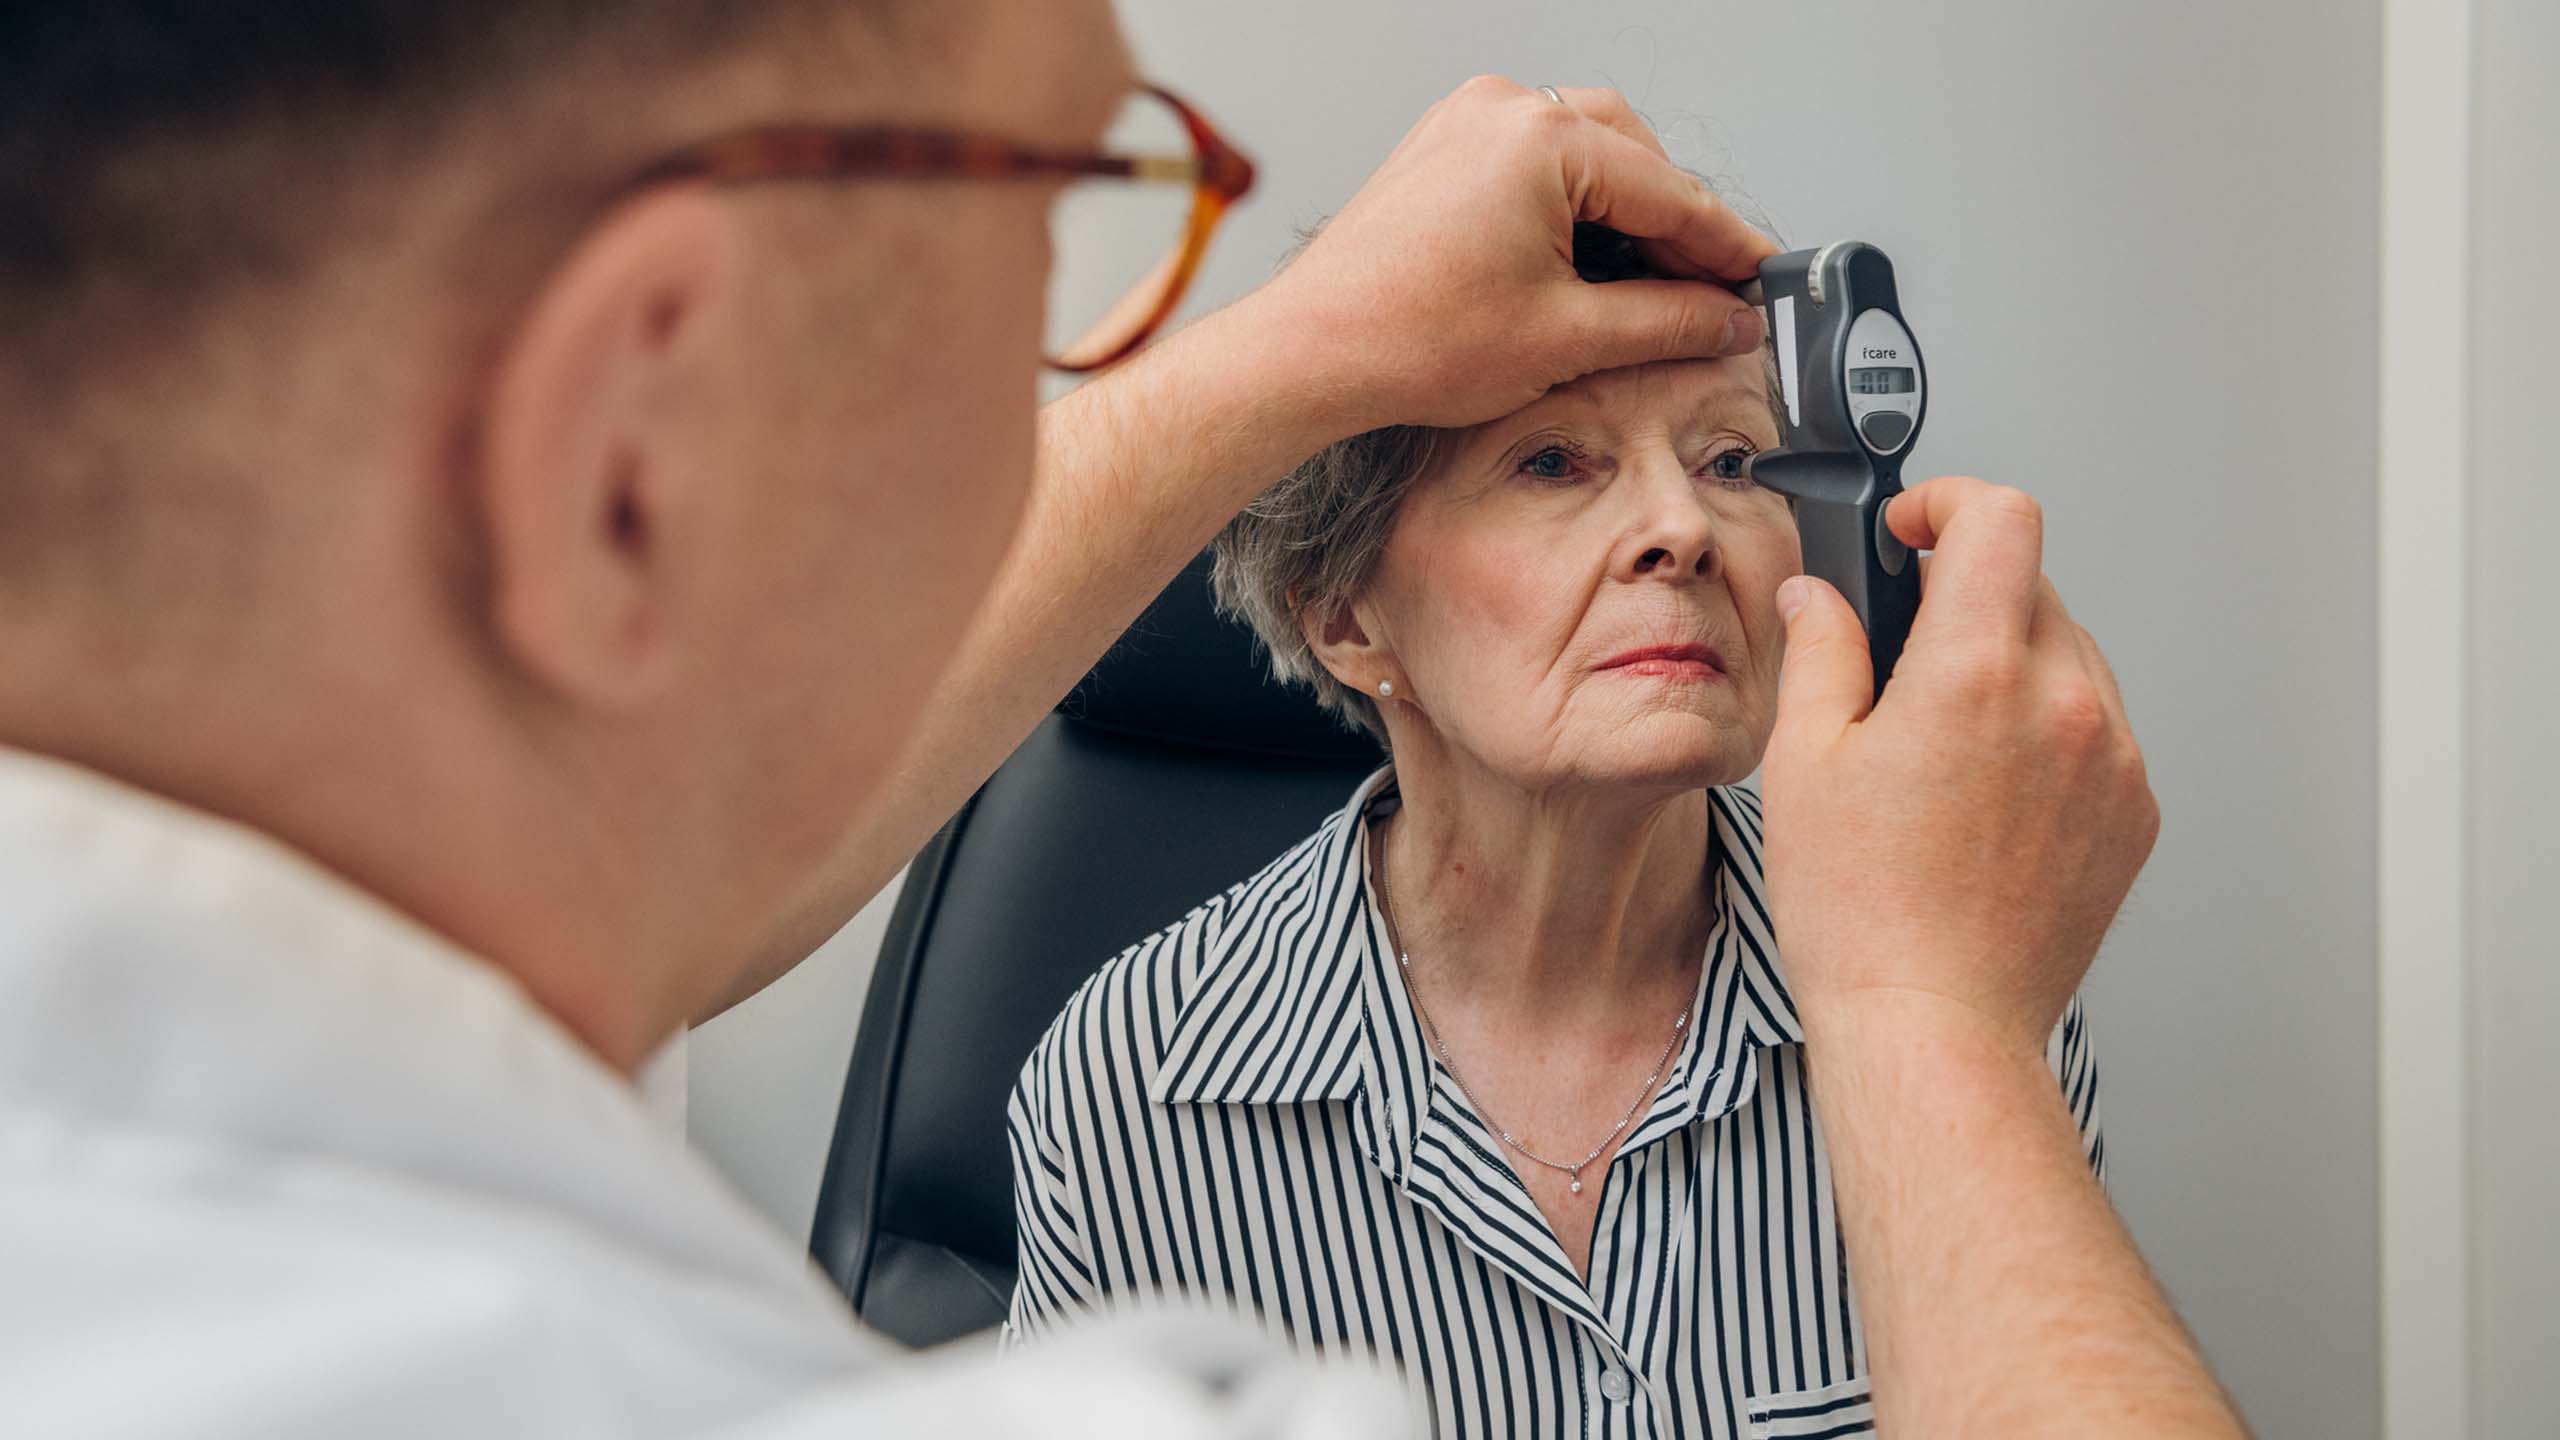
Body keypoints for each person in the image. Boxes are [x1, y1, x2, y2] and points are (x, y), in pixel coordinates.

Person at [0, 1, 2240, 1436]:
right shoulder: (1133, 1110)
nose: (1676, 535)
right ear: (627, 448)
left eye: (1734, 467)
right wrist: (1930, 1019)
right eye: (1089, 229)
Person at [1000, 336, 2106, 1433]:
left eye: (1730, 461)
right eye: (1551, 463)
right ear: (1342, 616)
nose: (1681, 529)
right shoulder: (1130, 1086)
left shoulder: (1956, 990)